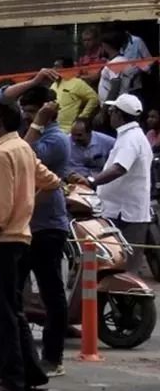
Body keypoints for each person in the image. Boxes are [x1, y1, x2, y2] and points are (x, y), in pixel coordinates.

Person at [0, 83, 71, 378]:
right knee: (11, 301)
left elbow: (20, 176)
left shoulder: (49, 141)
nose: (27, 117)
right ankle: (20, 363)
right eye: (25, 112)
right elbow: (44, 174)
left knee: (42, 296)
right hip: (23, 230)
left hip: (35, 228)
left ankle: (45, 360)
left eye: (33, 112)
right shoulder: (18, 144)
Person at [78, 94, 155, 275]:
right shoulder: (130, 136)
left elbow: (119, 168)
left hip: (125, 214)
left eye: (111, 111)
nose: (109, 115)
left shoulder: (130, 139)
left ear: (119, 114)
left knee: (124, 267)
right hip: (121, 210)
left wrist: (92, 181)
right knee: (118, 264)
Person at [50, 58, 100, 133]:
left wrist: (83, 116)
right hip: (52, 127)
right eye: (54, 66)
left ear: (66, 69)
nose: (54, 69)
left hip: (68, 129)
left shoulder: (77, 83)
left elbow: (94, 98)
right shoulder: (54, 84)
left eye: (57, 66)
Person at [97, 30, 131, 103]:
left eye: (100, 46)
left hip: (114, 107)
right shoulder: (118, 60)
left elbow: (115, 88)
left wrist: (105, 108)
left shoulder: (116, 62)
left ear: (105, 45)